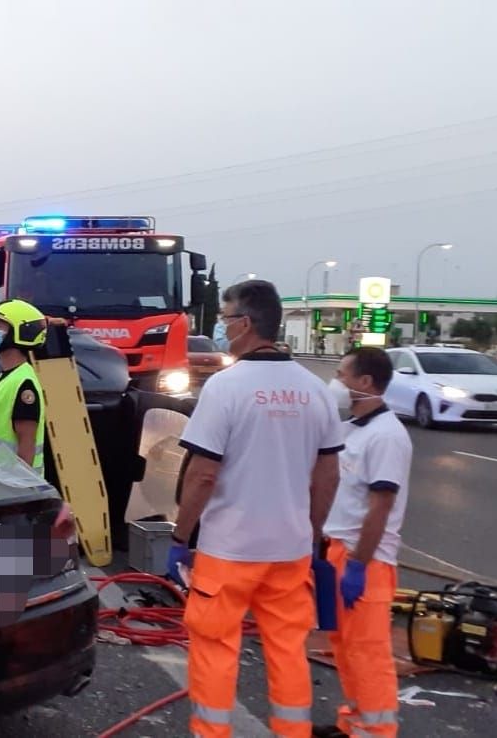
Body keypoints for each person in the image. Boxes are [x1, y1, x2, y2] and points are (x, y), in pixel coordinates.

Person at [168, 279, 344, 738]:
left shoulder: (226, 388)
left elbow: (203, 474)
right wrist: (312, 530)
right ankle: (293, 732)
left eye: (225, 319)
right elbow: (328, 475)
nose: (223, 328)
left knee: (215, 647)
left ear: (245, 324)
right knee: (287, 649)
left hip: (229, 550)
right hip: (288, 551)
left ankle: (212, 733)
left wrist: (180, 536)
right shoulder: (315, 389)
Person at [317, 347, 411, 738]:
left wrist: (357, 565)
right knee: (342, 646)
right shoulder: (349, 430)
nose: (336, 383)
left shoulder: (388, 437)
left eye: (341, 375)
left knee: (369, 654)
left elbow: (381, 506)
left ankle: (375, 733)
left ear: (365, 383)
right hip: (333, 551)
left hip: (365, 561)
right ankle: (352, 724)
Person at [0, 300, 48, 473]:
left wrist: (18, 495)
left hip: (11, 490)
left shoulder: (24, 384)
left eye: (0, 327)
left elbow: (26, 448)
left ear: (21, 332)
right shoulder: (5, 377)